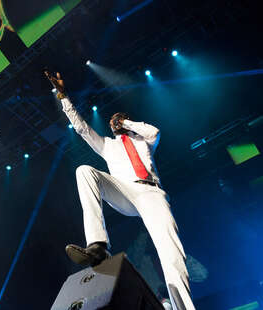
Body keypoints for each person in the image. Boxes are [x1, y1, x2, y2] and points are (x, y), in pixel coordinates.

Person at [45, 71, 196, 310]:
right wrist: (63, 96)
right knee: (84, 170)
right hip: (124, 192)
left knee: (171, 252)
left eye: (121, 119)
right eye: (114, 120)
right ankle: (97, 247)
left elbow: (154, 132)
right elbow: (82, 128)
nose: (116, 122)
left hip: (151, 194)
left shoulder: (143, 140)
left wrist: (125, 123)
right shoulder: (107, 145)